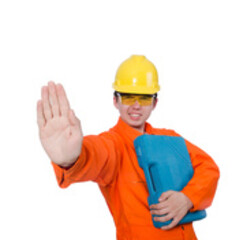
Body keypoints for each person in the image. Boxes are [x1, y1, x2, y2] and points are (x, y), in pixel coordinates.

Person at [38, 55, 220, 239]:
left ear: (155, 103)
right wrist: (71, 159)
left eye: (144, 98)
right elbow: (95, 153)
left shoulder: (170, 138)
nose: (136, 106)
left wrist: (188, 198)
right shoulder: (113, 144)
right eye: (128, 97)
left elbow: (208, 168)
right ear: (115, 100)